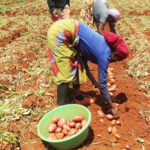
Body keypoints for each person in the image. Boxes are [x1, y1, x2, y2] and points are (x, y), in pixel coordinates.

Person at [47, 19, 129, 118]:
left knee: (78, 63)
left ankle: (77, 96)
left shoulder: (103, 46)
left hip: (67, 28)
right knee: (65, 70)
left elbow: (83, 60)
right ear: (115, 55)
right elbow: (103, 85)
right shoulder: (104, 54)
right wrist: (112, 107)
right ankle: (60, 108)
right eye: (117, 59)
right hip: (60, 32)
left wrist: (93, 81)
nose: (115, 61)